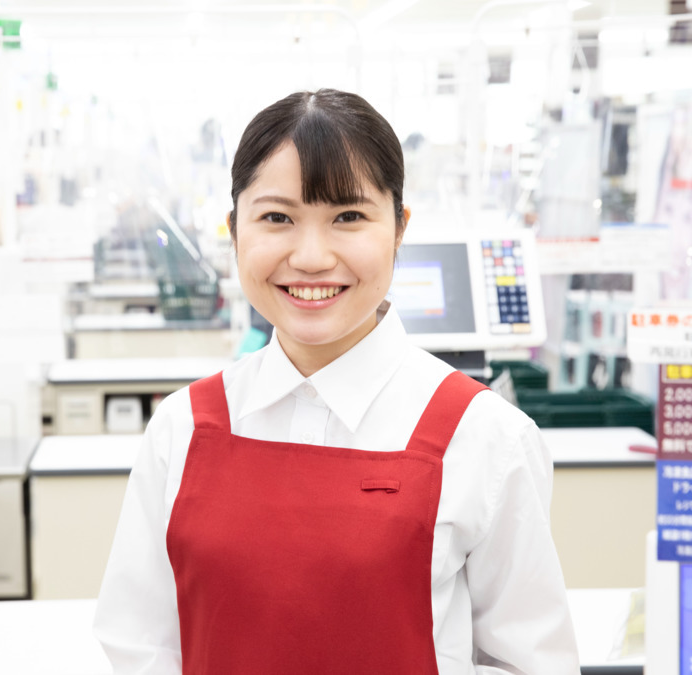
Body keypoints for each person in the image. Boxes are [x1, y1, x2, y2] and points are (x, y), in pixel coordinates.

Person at [94, 89, 580, 674]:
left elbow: (528, 662)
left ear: (399, 228)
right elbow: (140, 647)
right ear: (234, 229)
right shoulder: (182, 430)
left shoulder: (485, 437)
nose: (312, 257)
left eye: (348, 217)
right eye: (277, 218)